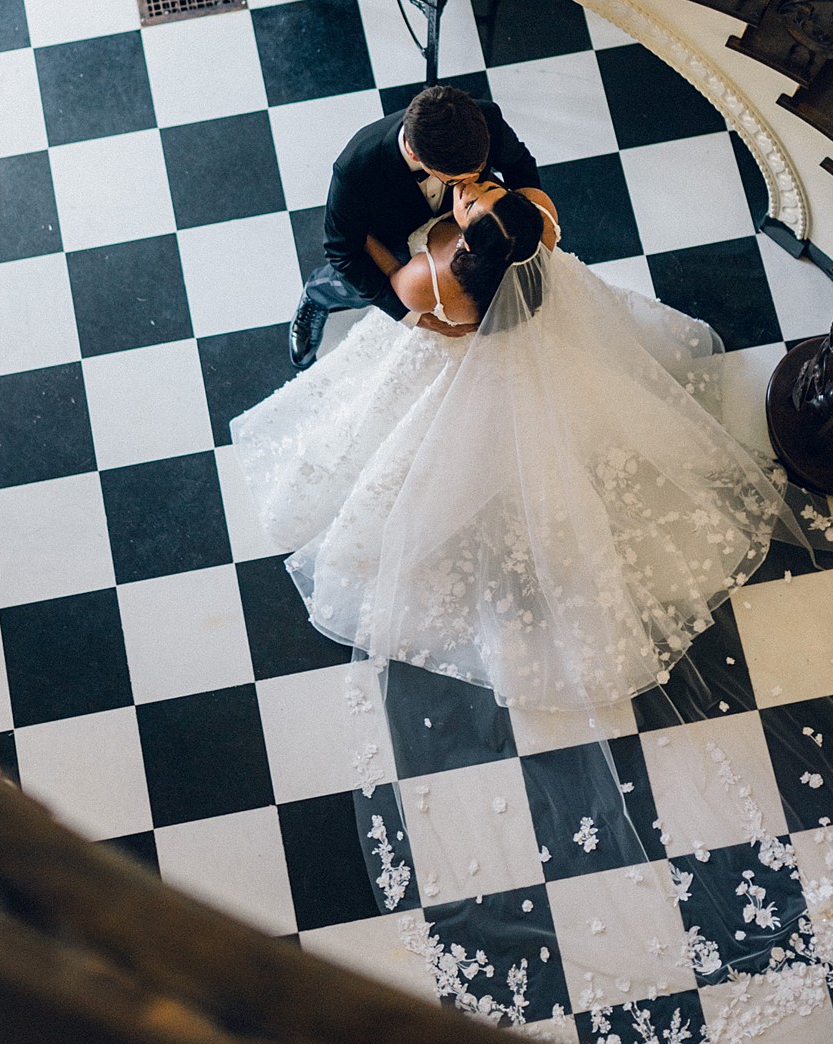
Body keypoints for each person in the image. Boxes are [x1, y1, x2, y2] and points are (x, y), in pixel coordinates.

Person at [237, 141, 791, 714]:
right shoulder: (537, 233)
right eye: (485, 188)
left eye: (477, 199)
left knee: (404, 443)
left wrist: (374, 236)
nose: (472, 188)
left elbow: (387, 278)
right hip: (534, 349)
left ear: (472, 247)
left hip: (448, 355)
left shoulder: (436, 280)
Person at [287, 84, 542, 370]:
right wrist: (408, 314)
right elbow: (341, 252)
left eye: (479, 173)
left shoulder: (484, 118)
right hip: (386, 244)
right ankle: (316, 295)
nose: (471, 187)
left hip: (466, 239)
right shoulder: (356, 168)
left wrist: (521, 219)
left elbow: (520, 164)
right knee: (352, 288)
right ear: (415, 153)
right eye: (459, 179)